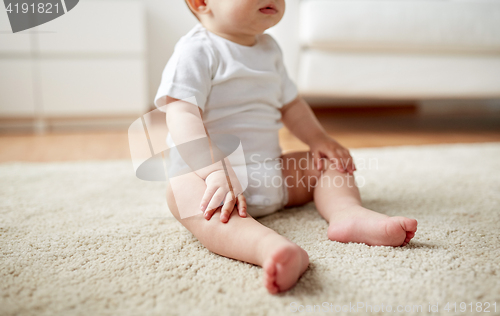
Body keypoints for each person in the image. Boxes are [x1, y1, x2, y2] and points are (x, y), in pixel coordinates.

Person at [154, 0, 418, 294]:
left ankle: (347, 214)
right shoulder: (196, 50)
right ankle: (267, 246)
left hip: (272, 174)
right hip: (213, 184)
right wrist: (213, 171)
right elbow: (182, 115)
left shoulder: (270, 49)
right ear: (201, 3)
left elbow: (291, 105)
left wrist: (319, 140)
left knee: (328, 163)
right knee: (179, 190)